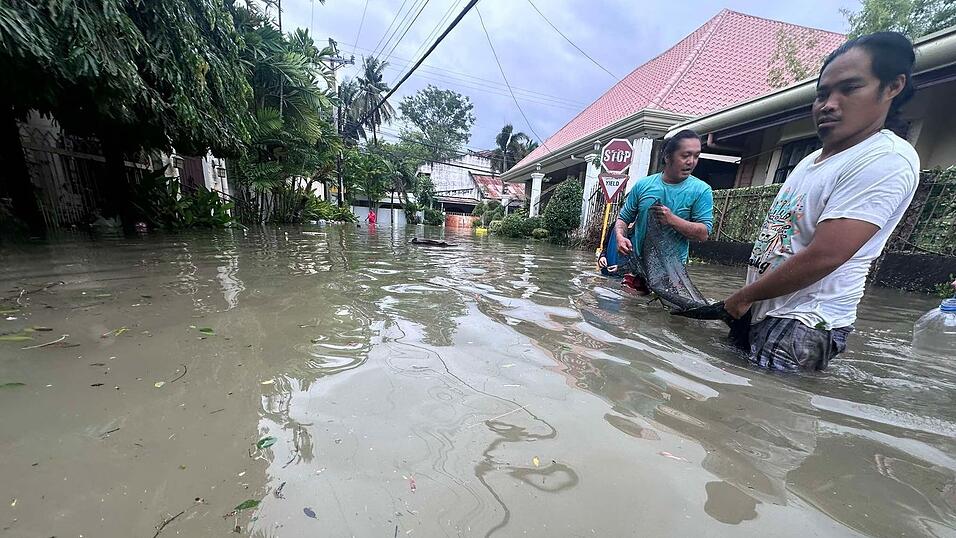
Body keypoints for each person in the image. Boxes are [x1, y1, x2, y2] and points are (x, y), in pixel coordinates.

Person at [721, 32, 920, 372]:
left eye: (850, 88)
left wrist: (743, 297)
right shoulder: (811, 160)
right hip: (764, 309)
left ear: (892, 87)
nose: (829, 103)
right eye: (823, 94)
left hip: (804, 324)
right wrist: (749, 299)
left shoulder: (884, 160)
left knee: (763, 419)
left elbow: (826, 255)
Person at [614, 129, 714, 293]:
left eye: (696, 156)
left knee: (666, 317)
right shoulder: (643, 186)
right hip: (636, 267)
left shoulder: (702, 191)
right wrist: (619, 237)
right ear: (668, 157)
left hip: (672, 273)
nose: (691, 161)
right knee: (628, 313)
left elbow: (703, 234)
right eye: (685, 155)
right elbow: (623, 219)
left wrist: (672, 220)